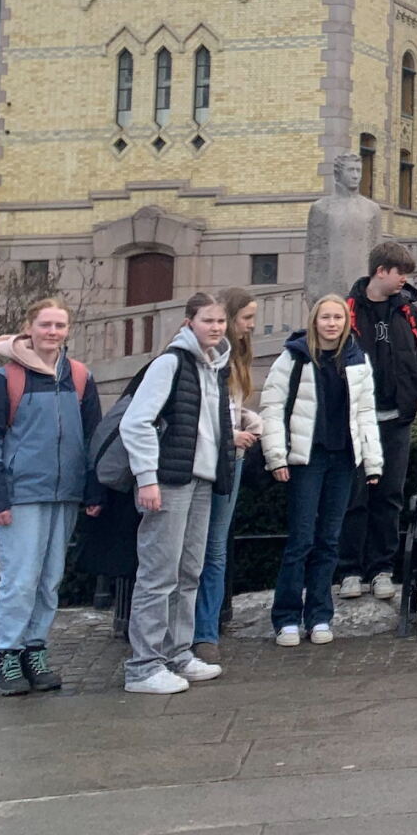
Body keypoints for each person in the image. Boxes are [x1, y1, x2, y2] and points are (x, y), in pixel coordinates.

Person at [0, 297, 103, 697]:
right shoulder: (5, 380)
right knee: (20, 579)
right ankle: (6, 654)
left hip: (64, 494)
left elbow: (93, 438)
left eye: (59, 325)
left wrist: (92, 488)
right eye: (45, 324)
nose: (52, 332)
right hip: (22, 495)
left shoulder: (79, 377)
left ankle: (35, 648)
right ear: (29, 328)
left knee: (49, 579)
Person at [121, 292, 235, 695]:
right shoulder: (170, 362)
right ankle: (143, 666)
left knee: (189, 572)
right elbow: (136, 422)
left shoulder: (215, 366)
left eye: (220, 321)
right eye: (207, 320)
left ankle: (178, 653)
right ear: (189, 322)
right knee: (159, 574)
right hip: (170, 480)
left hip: (202, 479)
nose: (215, 328)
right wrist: (147, 477)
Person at [261, 293, 381, 648]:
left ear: (347, 322)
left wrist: (372, 462)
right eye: (325, 317)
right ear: (314, 321)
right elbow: (272, 406)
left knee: (329, 540)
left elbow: (366, 413)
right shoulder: (294, 356)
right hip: (306, 458)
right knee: (301, 540)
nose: (332, 324)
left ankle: (320, 615)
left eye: (338, 318)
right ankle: (286, 617)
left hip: (342, 459)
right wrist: (277, 457)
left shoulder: (357, 358)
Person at [338, 242, 417, 604]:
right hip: (356, 424)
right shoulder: (346, 310)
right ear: (381, 271)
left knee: (389, 497)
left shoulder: (408, 311)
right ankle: (349, 571)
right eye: (400, 273)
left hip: (396, 421)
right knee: (354, 497)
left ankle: (382, 570)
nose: (404, 281)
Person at [193, 287, 265, 662]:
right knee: (196, 547)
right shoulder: (200, 358)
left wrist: (247, 421)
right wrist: (230, 433)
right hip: (203, 458)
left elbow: (230, 405)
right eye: (246, 318)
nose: (250, 326)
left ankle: (206, 631)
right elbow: (196, 410)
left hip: (230, 457)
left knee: (216, 546)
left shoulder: (236, 357)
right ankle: (188, 630)